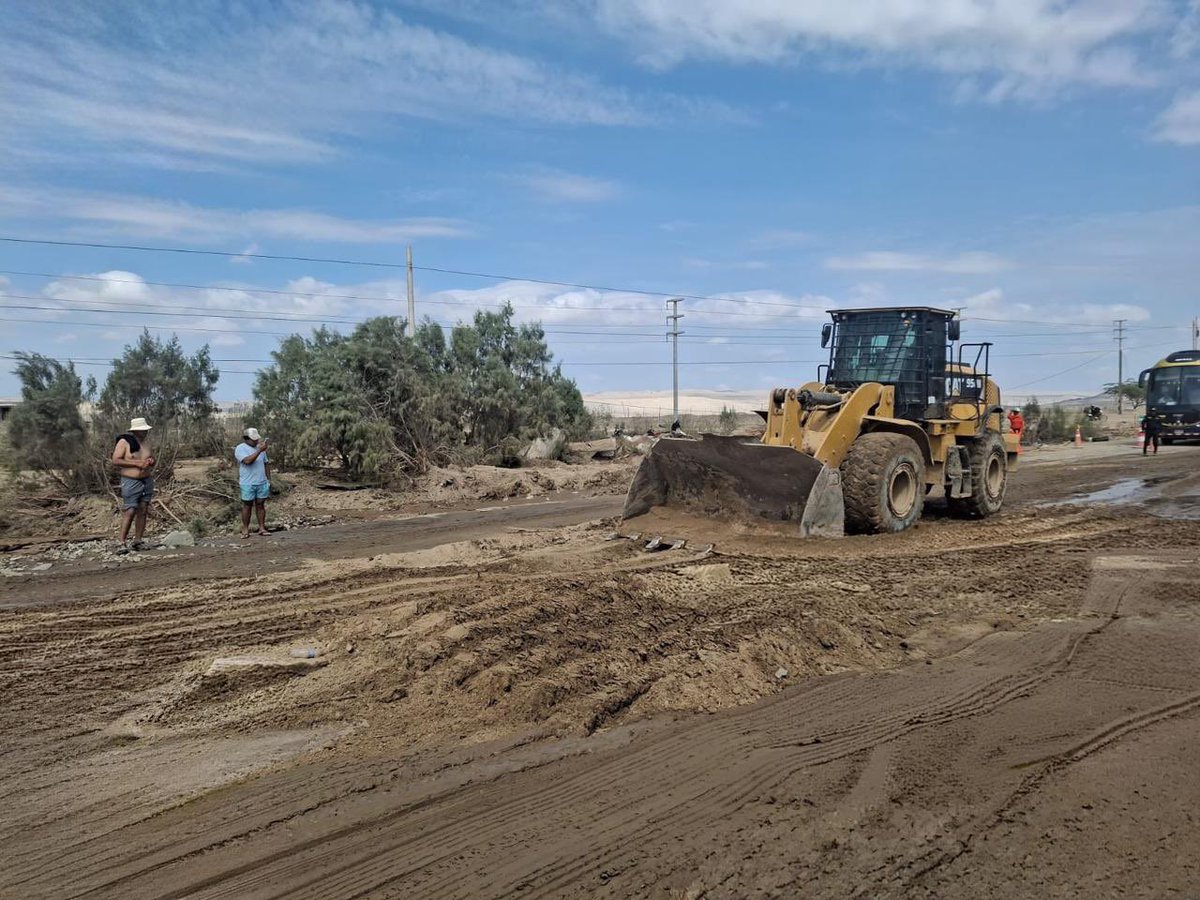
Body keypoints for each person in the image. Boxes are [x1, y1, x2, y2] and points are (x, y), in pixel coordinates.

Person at [111, 417, 156, 552]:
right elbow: (115, 460)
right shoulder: (124, 442)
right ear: (135, 431)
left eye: (145, 430)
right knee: (130, 510)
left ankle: (138, 540)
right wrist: (137, 463)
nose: (145, 432)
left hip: (146, 480)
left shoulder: (147, 443)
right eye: (142, 430)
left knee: (143, 509)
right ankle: (121, 542)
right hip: (130, 481)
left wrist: (151, 461)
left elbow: (151, 458)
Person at [235, 427, 271, 538]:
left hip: (261, 481)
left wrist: (268, 480)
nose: (256, 441)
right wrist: (259, 450)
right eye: (253, 439)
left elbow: (266, 463)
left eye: (256, 439)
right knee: (247, 505)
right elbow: (247, 461)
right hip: (247, 483)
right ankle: (245, 529)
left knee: (260, 505)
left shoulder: (260, 449)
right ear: (246, 439)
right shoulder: (240, 448)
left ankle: (262, 528)